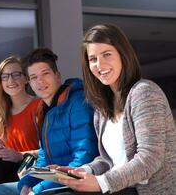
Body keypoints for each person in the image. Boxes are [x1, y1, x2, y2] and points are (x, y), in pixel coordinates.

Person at [56, 24, 176, 195]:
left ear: (123, 54)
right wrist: (84, 171)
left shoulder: (144, 92)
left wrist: (101, 182)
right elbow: (109, 161)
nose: (99, 64)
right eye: (93, 59)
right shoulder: (102, 107)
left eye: (107, 54)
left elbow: (149, 159)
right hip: (118, 188)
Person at [0, 48, 99, 195]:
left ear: (57, 76)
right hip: (53, 180)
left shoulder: (78, 103)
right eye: (33, 77)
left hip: (76, 182)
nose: (40, 81)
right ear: (29, 82)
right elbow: (43, 159)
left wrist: (37, 189)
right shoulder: (44, 111)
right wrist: (26, 184)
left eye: (45, 74)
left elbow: (84, 158)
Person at [0, 56, 40, 195]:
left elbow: (49, 150)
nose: (10, 80)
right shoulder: (2, 113)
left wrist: (20, 155)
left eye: (16, 75)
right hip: (11, 170)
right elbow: (9, 153)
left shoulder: (38, 106)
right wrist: (0, 147)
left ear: (26, 78)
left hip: (32, 168)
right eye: (4, 77)